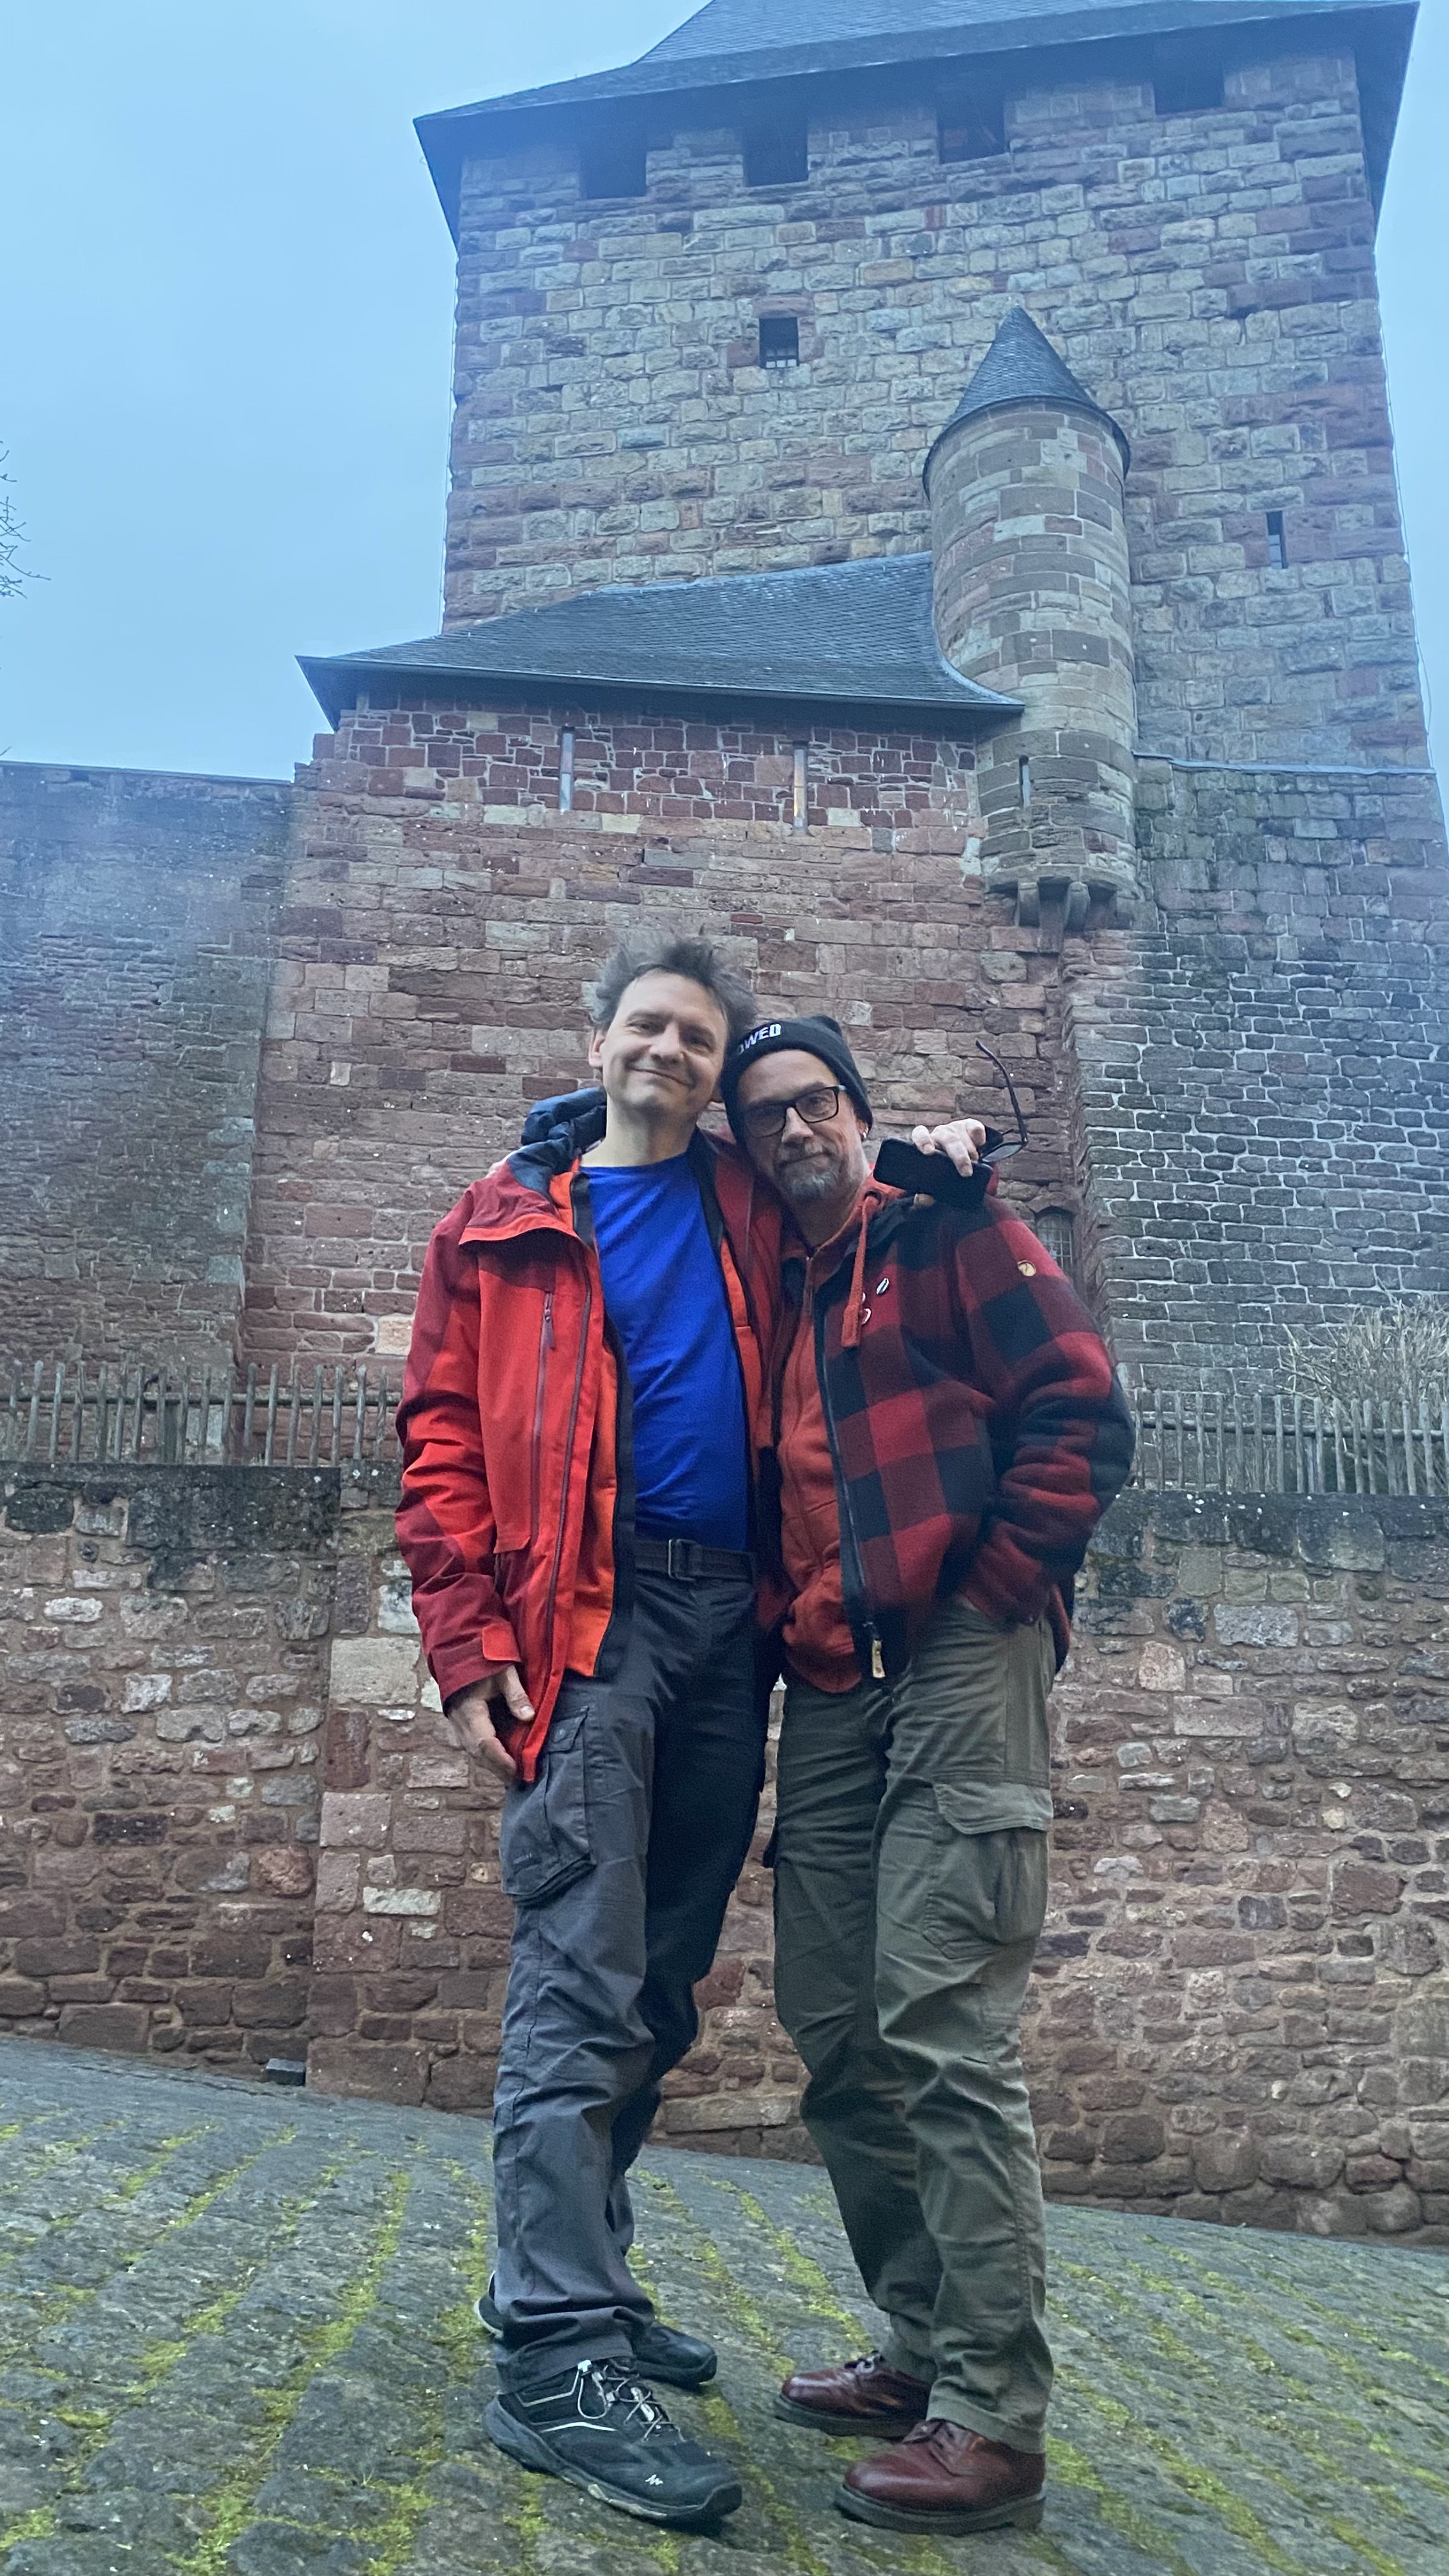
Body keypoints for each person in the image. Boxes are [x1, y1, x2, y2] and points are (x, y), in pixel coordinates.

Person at [396, 934, 983, 2531]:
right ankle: (553, 2350)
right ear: (598, 1039)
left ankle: (581, 2267)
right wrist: (463, 1643)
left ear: (717, 1074)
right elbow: (438, 1439)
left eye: (696, 1039)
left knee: (660, 1981)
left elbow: (848, 1192)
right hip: (581, 1626)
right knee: (578, 1974)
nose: (668, 1051)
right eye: (647, 1026)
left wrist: (935, 1154)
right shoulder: (502, 1222)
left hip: (732, 1629)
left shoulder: (740, 1196)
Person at [717, 1015, 1135, 2541]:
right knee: (837, 2024)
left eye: (818, 1102)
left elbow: (1082, 1408)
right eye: (765, 1115)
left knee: (943, 2025)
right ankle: (921, 2346)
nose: (795, 1131)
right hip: (834, 1674)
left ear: (860, 1111)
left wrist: (1000, 1588)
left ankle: (996, 2417)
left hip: (957, 1646)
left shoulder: (951, 1232)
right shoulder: (778, 1284)